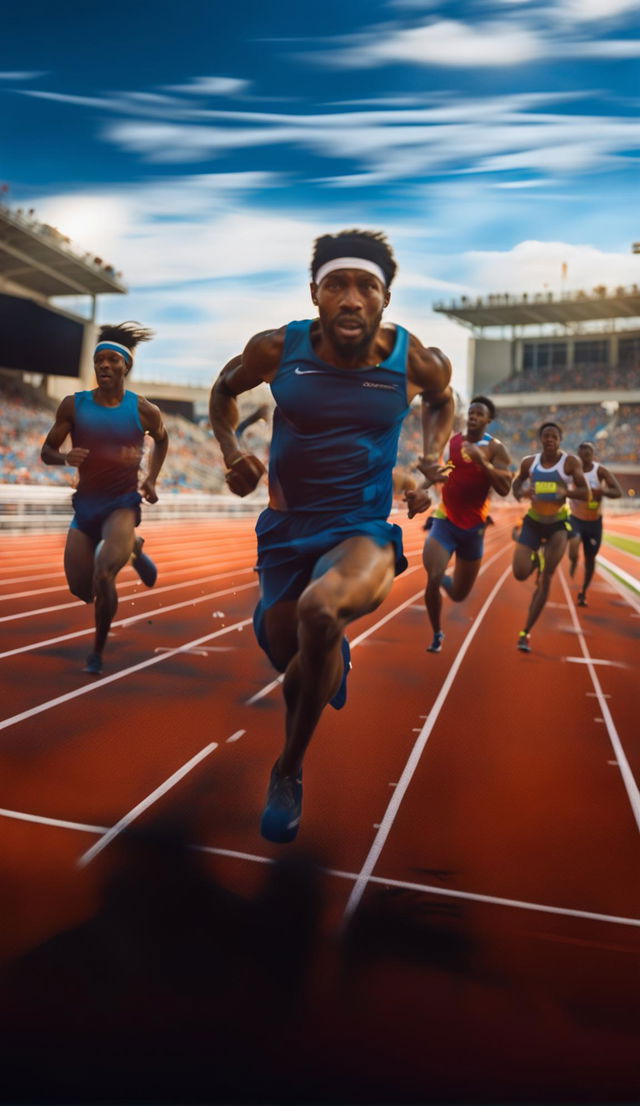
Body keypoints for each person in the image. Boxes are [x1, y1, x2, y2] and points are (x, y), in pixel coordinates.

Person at [209, 228, 453, 843]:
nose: (351, 299)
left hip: (362, 529)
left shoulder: (414, 359)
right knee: (287, 652)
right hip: (286, 534)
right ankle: (326, 661)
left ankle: (288, 771)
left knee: (322, 611)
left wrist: (430, 455)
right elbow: (222, 390)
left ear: (385, 299)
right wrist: (232, 450)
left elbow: (442, 399)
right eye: (337, 285)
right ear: (315, 293)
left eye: (365, 287)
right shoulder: (275, 349)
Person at [41, 322, 169, 675]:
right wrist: (64, 458)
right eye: (100, 360)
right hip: (86, 507)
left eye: (112, 360)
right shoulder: (73, 406)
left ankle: (96, 652)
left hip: (122, 504)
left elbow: (162, 439)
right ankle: (135, 547)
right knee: (82, 589)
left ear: (126, 366)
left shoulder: (143, 410)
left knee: (103, 576)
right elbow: (47, 450)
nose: (104, 366)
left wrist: (151, 479)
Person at [406, 396, 512, 653]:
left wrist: (482, 462)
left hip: (473, 527)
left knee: (458, 594)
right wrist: (421, 489)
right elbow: (443, 471)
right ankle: (437, 633)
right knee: (432, 576)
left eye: (479, 414)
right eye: (471, 413)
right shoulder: (453, 442)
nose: (473, 417)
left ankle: (444, 579)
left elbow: (505, 487)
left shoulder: (496, 449)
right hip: (446, 519)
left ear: (488, 421)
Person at [511, 421, 588, 653]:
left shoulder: (570, 462)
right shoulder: (529, 462)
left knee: (546, 578)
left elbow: (587, 492)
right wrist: (521, 492)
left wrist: (568, 492)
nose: (550, 440)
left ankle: (525, 632)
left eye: (554, 436)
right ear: (540, 439)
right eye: (546, 436)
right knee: (520, 573)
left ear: (559, 440)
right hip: (533, 522)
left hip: (557, 525)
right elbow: (516, 484)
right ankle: (536, 561)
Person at [567, 441, 622, 606]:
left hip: (594, 523)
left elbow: (618, 491)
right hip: (575, 518)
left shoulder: (600, 471)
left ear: (593, 455)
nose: (585, 456)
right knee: (574, 544)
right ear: (578, 455)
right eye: (582, 453)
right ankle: (574, 559)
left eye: (588, 453)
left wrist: (602, 491)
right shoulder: (571, 470)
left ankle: (583, 592)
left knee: (590, 559)